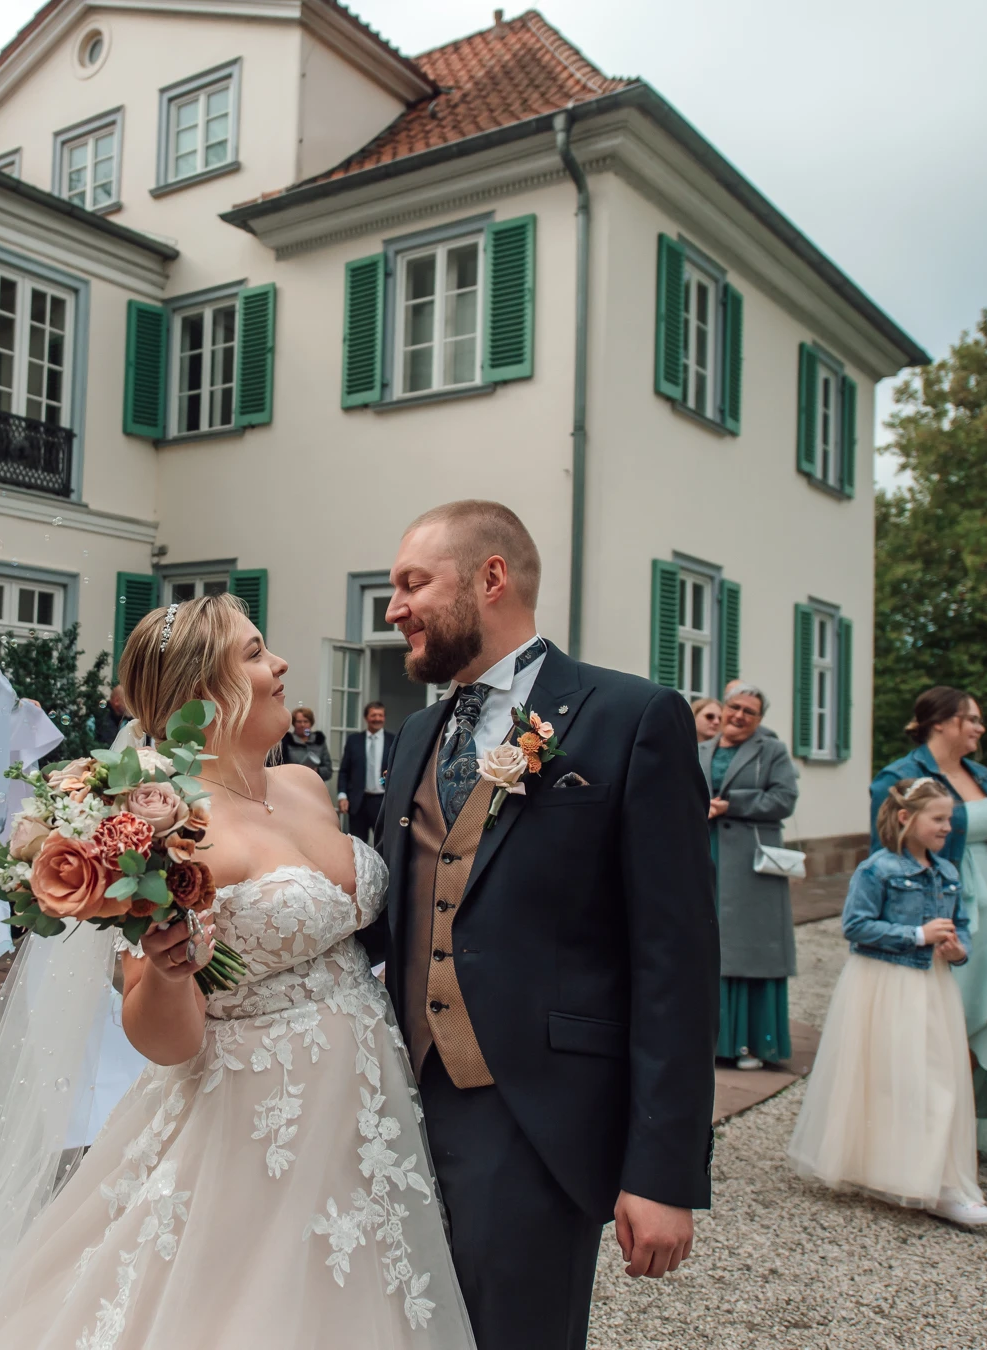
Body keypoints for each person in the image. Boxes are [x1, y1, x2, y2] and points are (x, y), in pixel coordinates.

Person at [0, 590, 481, 1349]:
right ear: (201, 689)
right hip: (251, 1118)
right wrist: (172, 969)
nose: (278, 665)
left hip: (367, 1100)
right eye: (253, 653)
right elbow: (164, 1039)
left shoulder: (306, 788)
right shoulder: (161, 828)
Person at [373, 501, 714, 1349]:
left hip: (536, 1118)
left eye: (413, 582)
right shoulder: (417, 733)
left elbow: (675, 958)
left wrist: (662, 1171)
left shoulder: (631, 717)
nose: (393, 608)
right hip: (395, 1105)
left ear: (491, 579)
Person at [788, 777, 987, 1227]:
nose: (947, 828)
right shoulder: (877, 870)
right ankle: (900, 1170)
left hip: (933, 986)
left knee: (939, 1073)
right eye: (938, 818)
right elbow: (855, 925)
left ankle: (942, 1180)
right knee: (893, 1075)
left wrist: (958, 951)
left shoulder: (948, 872)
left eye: (949, 820)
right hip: (885, 983)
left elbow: (961, 927)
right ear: (906, 818)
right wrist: (917, 936)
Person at [871, 686, 987, 1162]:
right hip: (937, 908)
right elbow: (883, 855)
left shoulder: (981, 774)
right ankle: (927, 1135)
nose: (979, 729)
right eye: (972, 719)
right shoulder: (900, 776)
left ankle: (971, 1127)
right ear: (940, 722)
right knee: (942, 1019)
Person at [701, 682, 800, 1069]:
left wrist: (731, 805)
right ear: (724, 708)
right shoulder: (700, 749)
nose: (739, 716)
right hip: (704, 851)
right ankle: (709, 1040)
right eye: (735, 707)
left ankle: (749, 1042)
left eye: (750, 712)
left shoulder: (771, 750)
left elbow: (784, 799)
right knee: (708, 941)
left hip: (750, 860)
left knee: (751, 949)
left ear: (759, 720)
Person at [335, 700, 391, 841]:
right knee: (358, 845)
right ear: (366, 718)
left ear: (384, 718)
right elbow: (344, 771)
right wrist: (342, 796)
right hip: (358, 801)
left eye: (380, 715)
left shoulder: (393, 740)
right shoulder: (354, 740)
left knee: (383, 843)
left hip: (383, 801)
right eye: (373, 715)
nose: (377, 719)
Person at [267, 705, 334, 779]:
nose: (302, 725)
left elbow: (328, 770)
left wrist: (317, 771)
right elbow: (276, 768)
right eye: (299, 722)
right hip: (292, 784)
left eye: (306, 721)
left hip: (314, 785)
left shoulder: (319, 741)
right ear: (294, 724)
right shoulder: (286, 741)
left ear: (311, 723)